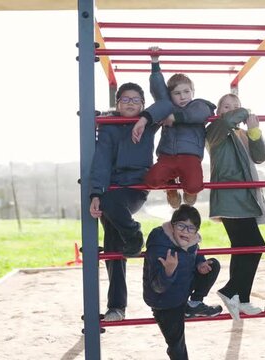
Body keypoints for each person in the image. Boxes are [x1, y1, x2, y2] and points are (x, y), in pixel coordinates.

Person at [89, 82, 173, 322]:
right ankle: (117, 307)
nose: (130, 104)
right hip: (109, 191)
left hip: (134, 189)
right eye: (125, 99)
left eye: (136, 100)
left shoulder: (149, 124)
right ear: (117, 103)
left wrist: (145, 119)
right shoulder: (108, 126)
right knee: (114, 246)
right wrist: (95, 193)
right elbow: (102, 161)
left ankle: (134, 235)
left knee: (113, 213)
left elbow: (167, 102)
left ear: (143, 105)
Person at [205, 93, 265, 320]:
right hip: (230, 197)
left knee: (243, 248)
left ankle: (241, 299)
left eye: (235, 106)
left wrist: (254, 131)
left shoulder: (241, 134)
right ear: (219, 112)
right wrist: (246, 112)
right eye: (226, 106)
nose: (231, 110)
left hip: (245, 198)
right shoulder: (215, 130)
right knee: (256, 244)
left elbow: (260, 156)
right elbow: (227, 121)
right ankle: (230, 290)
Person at [133, 46, 216, 209]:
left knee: (193, 184)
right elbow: (158, 88)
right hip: (167, 155)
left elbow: (200, 113)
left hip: (190, 156)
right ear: (170, 96)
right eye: (177, 93)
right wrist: (155, 62)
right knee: (152, 180)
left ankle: (190, 193)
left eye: (186, 91)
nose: (183, 96)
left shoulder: (198, 105)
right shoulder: (168, 106)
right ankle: (171, 189)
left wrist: (176, 118)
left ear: (193, 92)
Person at [143, 204, 222, 360]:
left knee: (213, 265)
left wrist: (200, 264)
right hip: (164, 300)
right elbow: (157, 287)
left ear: (196, 231)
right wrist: (168, 271)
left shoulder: (191, 241)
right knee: (177, 344)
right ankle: (186, 308)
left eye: (191, 228)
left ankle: (194, 304)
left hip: (182, 290)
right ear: (172, 225)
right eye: (181, 226)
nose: (186, 231)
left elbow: (195, 253)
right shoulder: (160, 244)